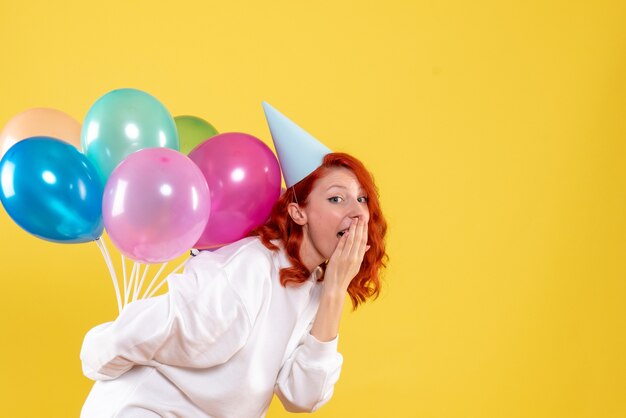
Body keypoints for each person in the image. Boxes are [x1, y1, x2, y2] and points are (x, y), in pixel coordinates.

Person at [79, 102, 388, 417]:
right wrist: (97, 352)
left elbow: (302, 396)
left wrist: (335, 290)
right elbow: (170, 326)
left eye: (362, 198)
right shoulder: (252, 266)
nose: (356, 211)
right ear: (298, 212)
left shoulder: (319, 287)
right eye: (337, 198)